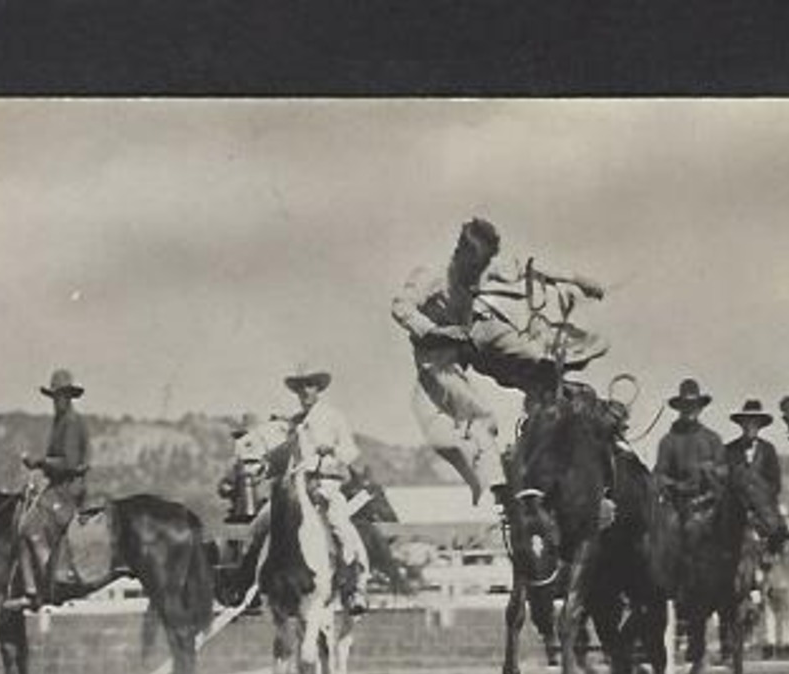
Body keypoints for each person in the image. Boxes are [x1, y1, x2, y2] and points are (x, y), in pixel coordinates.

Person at [391, 217, 606, 504]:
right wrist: (433, 331)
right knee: (478, 414)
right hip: (438, 351)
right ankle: (497, 483)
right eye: (472, 267)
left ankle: (552, 375)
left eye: (481, 268)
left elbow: (529, 268)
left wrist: (578, 279)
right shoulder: (431, 274)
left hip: (473, 331)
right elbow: (400, 306)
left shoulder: (487, 266)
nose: (476, 275)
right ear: (460, 253)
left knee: (529, 353)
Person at [241, 371, 370, 616]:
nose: (305, 392)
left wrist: (331, 449)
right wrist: (265, 465)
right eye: (300, 388)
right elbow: (281, 455)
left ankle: (354, 587)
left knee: (340, 525)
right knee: (259, 525)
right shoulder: (294, 422)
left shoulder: (333, 417)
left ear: (318, 389)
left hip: (325, 483)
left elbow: (351, 451)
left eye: (309, 386)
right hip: (296, 488)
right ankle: (252, 586)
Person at [6, 368, 90, 612]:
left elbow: (70, 463)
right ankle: (31, 588)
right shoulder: (61, 422)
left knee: (30, 525)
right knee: (22, 518)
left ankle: (49, 582)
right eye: (54, 397)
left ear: (68, 397)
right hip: (59, 486)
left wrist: (39, 462)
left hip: (70, 489)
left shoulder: (72, 423)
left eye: (61, 396)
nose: (57, 401)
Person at [655, 378, 726, 530]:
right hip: (678, 505)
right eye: (685, 406)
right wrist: (675, 484)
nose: (690, 411)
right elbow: (659, 474)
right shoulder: (668, 441)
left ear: (700, 408)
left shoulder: (712, 439)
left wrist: (711, 469)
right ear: (679, 409)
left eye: (693, 406)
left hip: (709, 504)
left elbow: (725, 470)